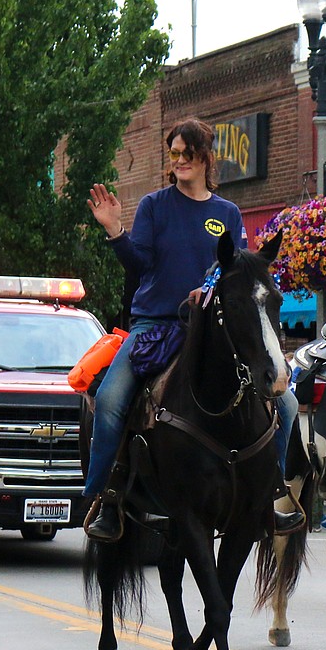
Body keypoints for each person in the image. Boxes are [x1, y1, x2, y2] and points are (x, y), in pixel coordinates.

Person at [82, 118, 302, 540]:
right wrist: (115, 232)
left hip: (209, 330)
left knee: (287, 405)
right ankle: (105, 498)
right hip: (154, 327)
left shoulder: (227, 213)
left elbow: (232, 271)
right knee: (110, 399)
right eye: (175, 154)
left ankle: (271, 494)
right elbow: (140, 265)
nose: (180, 161)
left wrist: (212, 287)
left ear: (205, 157)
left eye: (188, 153)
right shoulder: (154, 205)